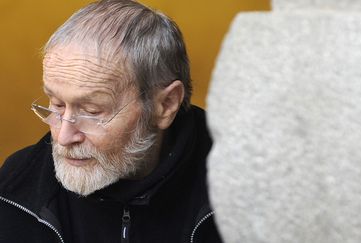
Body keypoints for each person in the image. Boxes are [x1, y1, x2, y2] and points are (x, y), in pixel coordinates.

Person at [0, 1, 223, 242]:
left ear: (166, 105)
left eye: (92, 111)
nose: (63, 137)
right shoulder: (14, 191)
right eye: (56, 104)